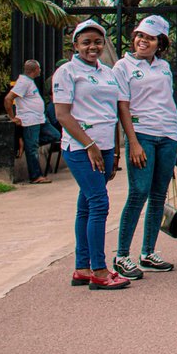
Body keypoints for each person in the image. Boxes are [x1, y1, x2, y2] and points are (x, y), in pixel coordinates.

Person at [53, 20, 131, 290]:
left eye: (97, 42)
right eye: (86, 42)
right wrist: (89, 145)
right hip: (81, 148)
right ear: (75, 45)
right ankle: (99, 270)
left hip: (106, 146)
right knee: (99, 204)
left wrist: (117, 152)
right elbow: (62, 115)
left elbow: (115, 114)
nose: (92, 47)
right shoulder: (67, 72)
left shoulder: (109, 73)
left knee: (86, 204)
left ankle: (81, 267)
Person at [111, 15, 177, 280]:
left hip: (168, 135)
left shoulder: (163, 67)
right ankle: (121, 255)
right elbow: (123, 106)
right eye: (140, 36)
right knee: (138, 192)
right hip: (142, 134)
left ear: (159, 43)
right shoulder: (123, 66)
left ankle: (148, 252)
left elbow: (166, 100)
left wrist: (174, 139)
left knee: (158, 195)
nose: (143, 41)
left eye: (150, 38)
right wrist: (133, 142)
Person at [4, 59, 59, 184]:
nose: (40, 71)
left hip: (39, 119)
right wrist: (12, 117)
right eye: (39, 68)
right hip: (30, 120)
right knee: (32, 149)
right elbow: (8, 98)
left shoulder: (30, 82)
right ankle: (35, 176)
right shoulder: (23, 82)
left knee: (55, 135)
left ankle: (28, 144)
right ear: (35, 70)